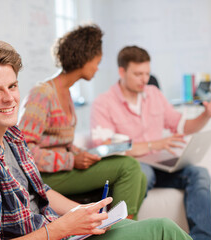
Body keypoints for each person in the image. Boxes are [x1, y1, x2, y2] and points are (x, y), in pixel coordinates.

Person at [0, 40, 193, 239]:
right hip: (58, 232)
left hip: (60, 230)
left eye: (12, 86)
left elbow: (41, 192)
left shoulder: (11, 135)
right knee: (163, 230)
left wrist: (83, 213)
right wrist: (64, 227)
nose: (10, 98)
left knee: (163, 226)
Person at [90, 45, 211, 240]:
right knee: (144, 174)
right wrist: (152, 145)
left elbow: (183, 125)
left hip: (161, 164)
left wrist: (206, 115)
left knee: (199, 173)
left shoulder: (154, 94)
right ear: (121, 71)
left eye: (147, 73)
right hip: (135, 165)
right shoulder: (104, 103)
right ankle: (126, 231)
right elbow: (104, 147)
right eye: (138, 74)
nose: (144, 79)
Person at [18, 24, 145, 220]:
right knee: (129, 167)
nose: (97, 67)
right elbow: (23, 150)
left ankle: (120, 227)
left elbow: (62, 144)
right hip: (46, 177)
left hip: (63, 170)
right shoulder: (42, 93)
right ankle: (123, 233)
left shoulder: (67, 93)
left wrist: (83, 154)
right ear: (84, 58)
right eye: (97, 62)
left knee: (140, 176)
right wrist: (71, 160)